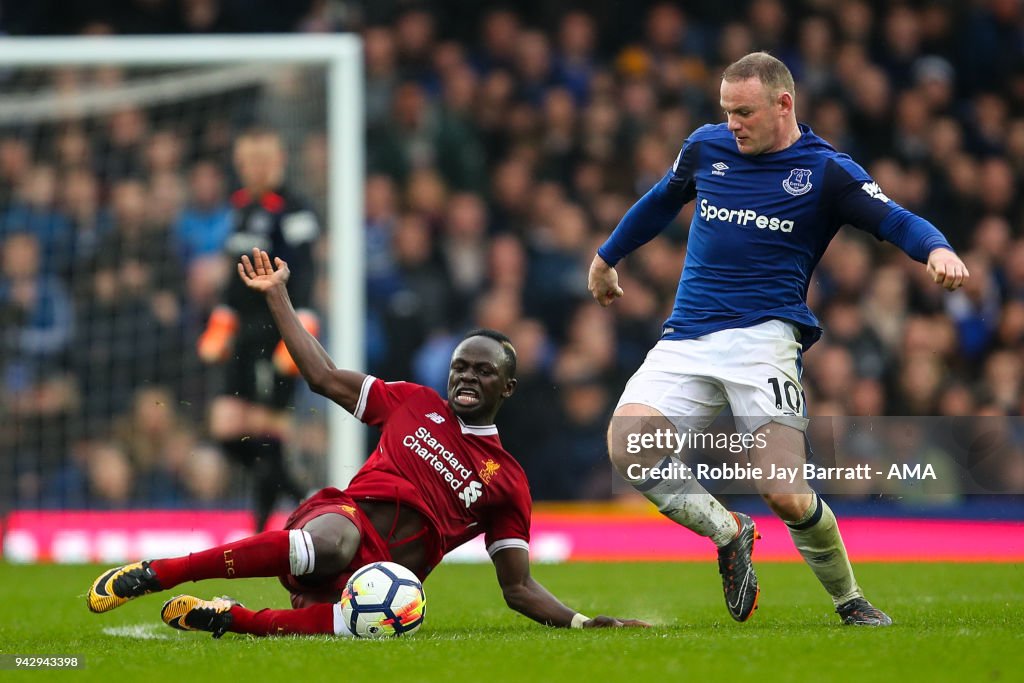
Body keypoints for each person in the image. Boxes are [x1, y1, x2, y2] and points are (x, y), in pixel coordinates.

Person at [588, 52, 969, 627]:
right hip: (687, 335)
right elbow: (662, 200)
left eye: (744, 112)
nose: (732, 123)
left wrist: (936, 248)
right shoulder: (706, 147)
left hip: (764, 340)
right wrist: (607, 257)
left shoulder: (826, 172)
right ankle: (729, 532)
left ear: (783, 104)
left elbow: (896, 219)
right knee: (627, 446)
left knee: (784, 493)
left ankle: (850, 599)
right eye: (726, 111)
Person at [86, 248, 648, 637]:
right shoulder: (412, 401)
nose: (467, 379)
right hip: (339, 519)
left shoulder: (507, 482)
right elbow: (324, 377)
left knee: (376, 621)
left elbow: (519, 588)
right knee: (330, 542)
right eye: (460, 368)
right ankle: (162, 571)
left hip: (379, 580)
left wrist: (583, 622)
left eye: (482, 372)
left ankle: (231, 619)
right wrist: (278, 296)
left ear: (508, 386)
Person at [196, 128, 314, 532]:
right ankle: (304, 498)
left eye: (262, 160)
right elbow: (233, 274)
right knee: (229, 427)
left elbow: (306, 273)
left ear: (279, 160)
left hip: (276, 330)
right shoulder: (241, 206)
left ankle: (262, 527)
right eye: (247, 161)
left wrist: (301, 326)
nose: (253, 169)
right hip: (242, 331)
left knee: (267, 427)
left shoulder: (295, 211)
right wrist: (222, 318)